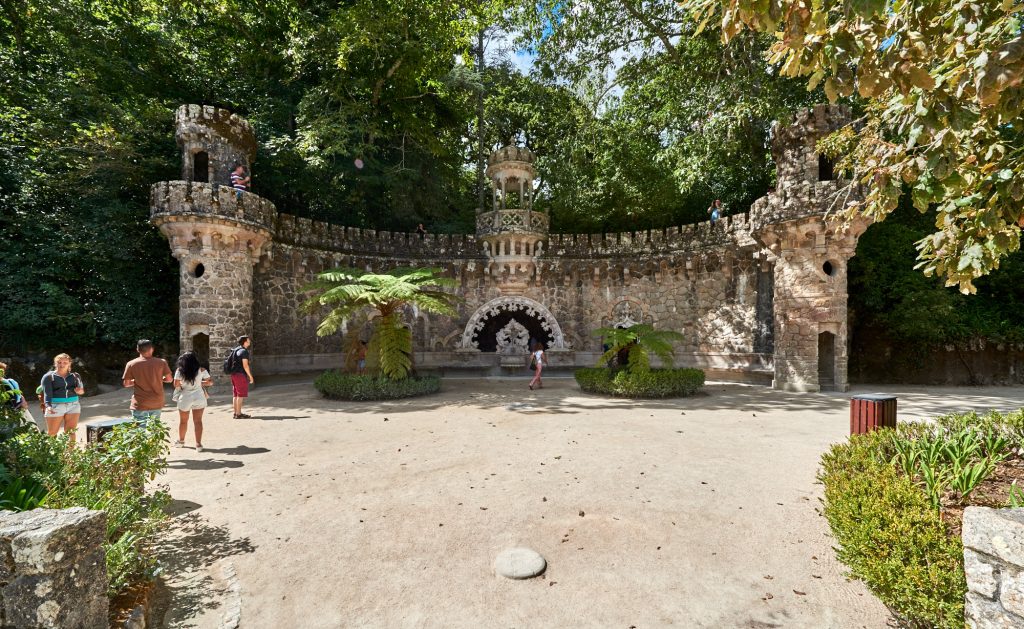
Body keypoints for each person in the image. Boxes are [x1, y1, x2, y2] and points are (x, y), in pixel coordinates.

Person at [122, 339, 173, 422]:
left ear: (137, 349)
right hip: (157, 401)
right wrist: (158, 378)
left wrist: (137, 380)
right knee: (155, 428)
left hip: (140, 402)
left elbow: (126, 384)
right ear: (152, 349)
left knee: (140, 430)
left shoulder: (131, 364)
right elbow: (169, 379)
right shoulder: (161, 362)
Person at [173, 351, 213, 452]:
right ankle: (198, 444)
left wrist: (183, 385)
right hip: (199, 396)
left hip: (185, 397)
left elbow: (176, 384)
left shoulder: (180, 370)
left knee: (183, 421)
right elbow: (210, 382)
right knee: (198, 421)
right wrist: (199, 383)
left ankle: (181, 441)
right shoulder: (202, 369)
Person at [40, 353, 85, 444]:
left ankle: (71, 455)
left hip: (74, 405)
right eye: (59, 362)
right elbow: (47, 393)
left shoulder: (75, 376)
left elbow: (82, 391)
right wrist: (48, 406)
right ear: (55, 364)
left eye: (65, 362)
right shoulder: (48, 377)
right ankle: (51, 456)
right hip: (55, 406)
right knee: (52, 433)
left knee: (71, 431)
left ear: (69, 364)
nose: (62, 364)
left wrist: (79, 391)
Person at [228, 336, 255, 419]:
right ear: (244, 342)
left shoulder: (236, 350)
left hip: (234, 374)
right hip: (240, 375)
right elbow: (245, 365)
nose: (249, 341)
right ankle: (239, 414)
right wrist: (250, 376)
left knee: (235, 394)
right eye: (248, 340)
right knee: (240, 395)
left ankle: (236, 413)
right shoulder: (244, 352)